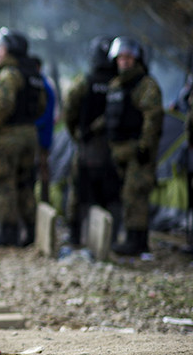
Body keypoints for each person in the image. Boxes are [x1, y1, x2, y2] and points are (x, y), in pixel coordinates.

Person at [0, 28, 46, 247]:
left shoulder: (8, 74)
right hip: (29, 134)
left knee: (3, 183)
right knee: (25, 183)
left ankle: (8, 233)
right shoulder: (34, 75)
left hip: (6, 136)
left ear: (8, 50)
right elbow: (41, 106)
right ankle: (31, 231)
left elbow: (3, 105)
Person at [105, 37, 163, 256]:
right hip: (119, 151)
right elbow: (112, 114)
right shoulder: (116, 85)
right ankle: (131, 238)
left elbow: (153, 117)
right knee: (126, 196)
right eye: (120, 57)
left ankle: (136, 241)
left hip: (138, 152)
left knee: (135, 196)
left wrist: (145, 147)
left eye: (128, 57)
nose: (124, 61)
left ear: (136, 59)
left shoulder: (145, 85)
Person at [62, 36, 118, 246]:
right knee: (111, 192)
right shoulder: (119, 83)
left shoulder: (85, 82)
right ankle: (108, 239)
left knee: (78, 191)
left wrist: (77, 133)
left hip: (88, 146)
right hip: (113, 147)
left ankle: (75, 235)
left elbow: (69, 110)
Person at [30, 56, 57, 203]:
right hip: (41, 135)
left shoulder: (43, 86)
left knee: (42, 171)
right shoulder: (43, 84)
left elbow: (47, 114)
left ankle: (42, 203)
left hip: (41, 136)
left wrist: (33, 125)